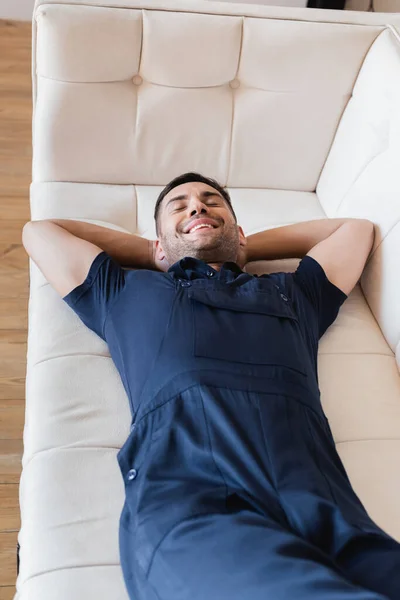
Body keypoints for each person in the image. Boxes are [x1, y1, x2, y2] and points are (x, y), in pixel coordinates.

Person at [22, 172, 400, 600]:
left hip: (325, 508)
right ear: (159, 244)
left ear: (239, 231)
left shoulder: (293, 292)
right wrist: (153, 253)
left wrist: (245, 247)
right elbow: (40, 232)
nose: (198, 207)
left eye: (211, 201)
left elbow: (355, 231)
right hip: (195, 506)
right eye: (179, 207)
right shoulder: (124, 292)